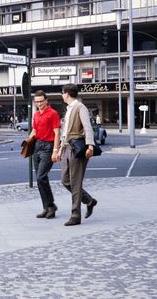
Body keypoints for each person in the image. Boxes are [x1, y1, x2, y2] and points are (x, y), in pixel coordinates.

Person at [53, 84, 98, 226]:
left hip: (76, 149)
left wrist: (90, 146)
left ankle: (75, 215)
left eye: (62, 93)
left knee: (76, 182)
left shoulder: (80, 107)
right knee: (65, 180)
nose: (62, 95)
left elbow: (88, 128)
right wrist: (60, 149)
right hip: (66, 148)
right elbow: (65, 133)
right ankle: (89, 200)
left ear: (66, 93)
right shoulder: (68, 109)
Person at [25, 90, 61, 219]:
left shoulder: (53, 113)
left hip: (48, 147)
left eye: (41, 101)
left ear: (46, 100)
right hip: (37, 146)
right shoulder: (36, 115)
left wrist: (55, 151)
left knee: (41, 177)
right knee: (40, 179)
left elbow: (57, 133)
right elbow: (34, 130)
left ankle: (50, 205)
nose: (39, 104)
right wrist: (28, 142)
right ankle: (47, 207)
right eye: (37, 102)